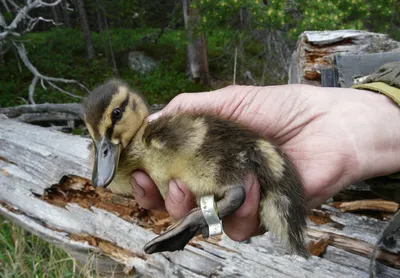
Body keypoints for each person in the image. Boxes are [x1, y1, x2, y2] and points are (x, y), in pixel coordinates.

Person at [130, 62, 400, 242]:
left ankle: (210, 214)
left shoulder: (158, 132)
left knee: (234, 189)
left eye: (116, 116)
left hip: (233, 168)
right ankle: (210, 215)